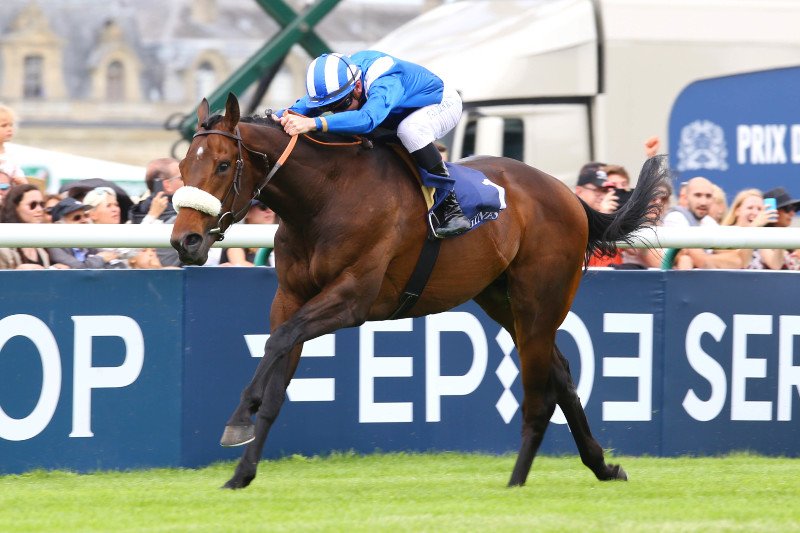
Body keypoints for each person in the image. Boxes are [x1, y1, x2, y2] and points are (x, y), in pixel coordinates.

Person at [275, 51, 470, 237]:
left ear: (358, 87)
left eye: (342, 105)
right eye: (328, 108)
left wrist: (314, 122)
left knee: (410, 130)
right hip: (398, 111)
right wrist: (275, 118)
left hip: (439, 103)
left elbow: (367, 119)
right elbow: (296, 110)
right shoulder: (339, 84)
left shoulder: (384, 79)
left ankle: (450, 207)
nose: (336, 112)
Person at [130, 157, 186, 266]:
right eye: (182, 177)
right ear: (167, 185)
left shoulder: (137, 213)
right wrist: (152, 216)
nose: (190, 180)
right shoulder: (180, 216)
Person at [0, 184, 65, 269]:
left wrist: (52, 269)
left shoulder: (42, 246)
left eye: (41, 205)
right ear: (15, 207)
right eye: (33, 205)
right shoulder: (3, 247)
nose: (39, 209)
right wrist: (17, 271)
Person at [47, 197, 125, 269]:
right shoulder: (54, 245)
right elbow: (80, 270)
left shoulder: (85, 241)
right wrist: (100, 259)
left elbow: (112, 258)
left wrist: (104, 259)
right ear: (59, 225)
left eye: (85, 215)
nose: (84, 220)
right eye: (77, 218)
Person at [220, 200, 278, 267]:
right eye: (263, 206)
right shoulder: (236, 236)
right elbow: (239, 264)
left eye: (272, 206)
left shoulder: (276, 239)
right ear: (246, 212)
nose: (270, 210)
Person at [0, 104, 27, 182]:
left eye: (11, 125)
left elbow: (19, 176)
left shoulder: (11, 155)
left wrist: (22, 181)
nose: (10, 129)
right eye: (4, 125)